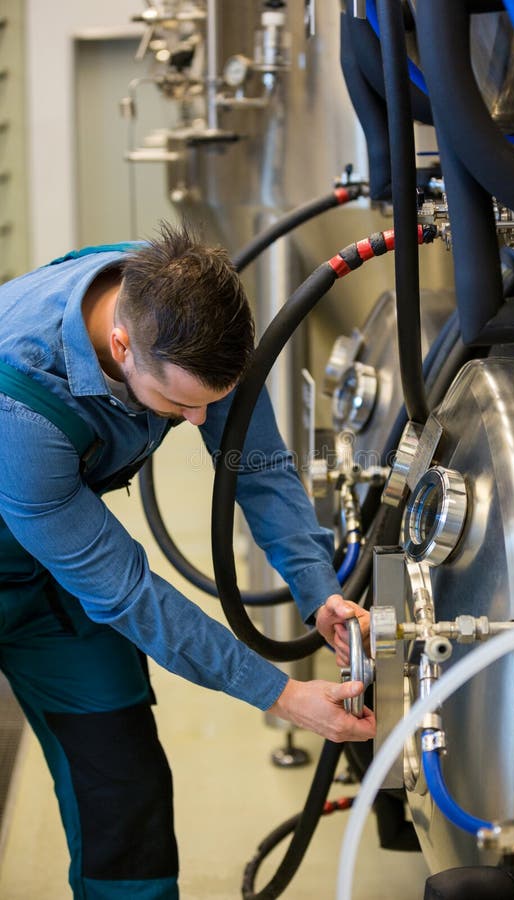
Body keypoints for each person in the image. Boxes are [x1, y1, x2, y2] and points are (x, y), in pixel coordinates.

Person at [0, 220, 374, 900]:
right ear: (121, 346)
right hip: (44, 542)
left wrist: (320, 590)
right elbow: (130, 594)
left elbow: (255, 465)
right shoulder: (18, 404)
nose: (199, 423)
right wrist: (284, 696)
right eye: (181, 405)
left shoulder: (187, 310)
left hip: (48, 580)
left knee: (125, 782)